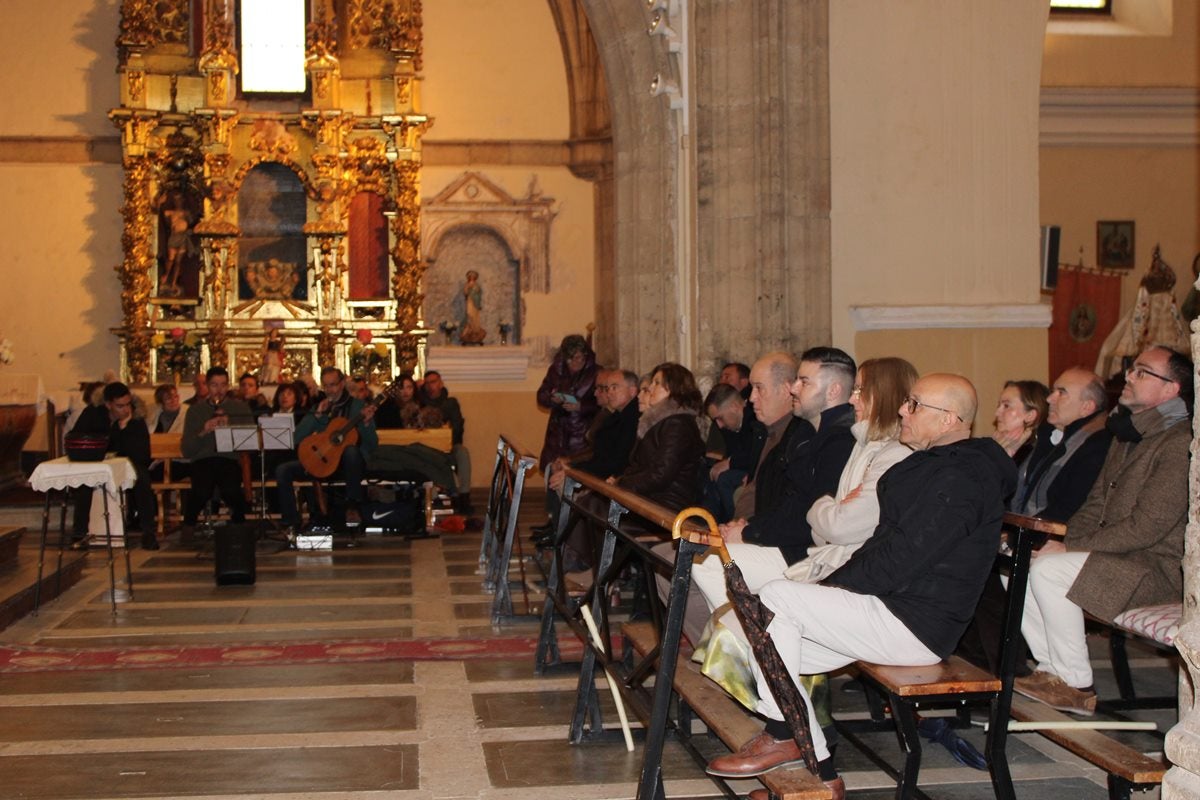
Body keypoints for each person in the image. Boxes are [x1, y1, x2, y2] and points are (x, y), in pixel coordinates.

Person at [705, 374, 1016, 799]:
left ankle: (797, 745)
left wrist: (832, 588)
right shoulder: (933, 468)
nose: (903, 411)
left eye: (914, 405)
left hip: (916, 624)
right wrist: (831, 588)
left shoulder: (962, 479)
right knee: (760, 627)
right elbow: (885, 550)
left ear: (949, 420)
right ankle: (809, 767)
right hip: (886, 609)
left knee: (777, 599)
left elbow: (904, 558)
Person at [1016, 346, 1192, 715]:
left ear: (1171, 389)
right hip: (1118, 557)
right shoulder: (1126, 434)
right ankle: (1052, 670)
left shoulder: (1179, 443)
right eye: (1132, 369)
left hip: (1155, 568)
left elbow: (1147, 527)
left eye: (1142, 373)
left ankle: (1076, 683)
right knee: (1020, 565)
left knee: (1049, 571)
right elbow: (1094, 505)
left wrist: (1070, 548)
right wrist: (1061, 540)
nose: (1128, 377)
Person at [692, 347, 857, 613]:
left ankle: (752, 646)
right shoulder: (809, 434)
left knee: (708, 563)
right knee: (700, 557)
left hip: (807, 553)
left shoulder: (840, 441)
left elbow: (810, 517)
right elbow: (785, 503)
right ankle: (747, 645)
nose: (794, 388)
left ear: (834, 390)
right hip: (787, 541)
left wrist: (748, 532)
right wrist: (748, 525)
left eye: (804, 382)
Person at [790, 356, 917, 582]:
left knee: (769, 594)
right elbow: (823, 534)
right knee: (726, 565)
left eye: (859, 390)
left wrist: (821, 505)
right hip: (830, 560)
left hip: (858, 573)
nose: (851, 400)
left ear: (883, 395)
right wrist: (832, 510)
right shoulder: (862, 444)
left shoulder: (896, 456)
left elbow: (839, 527)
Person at [276, 367, 379, 531]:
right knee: (283, 470)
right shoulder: (320, 407)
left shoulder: (359, 406)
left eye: (333, 385)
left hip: (348, 466)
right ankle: (291, 521)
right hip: (322, 461)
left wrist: (366, 424)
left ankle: (352, 506)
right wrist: (316, 416)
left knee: (351, 451)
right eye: (325, 386)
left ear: (342, 383)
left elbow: (372, 444)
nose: (329, 390)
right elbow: (296, 439)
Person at [70, 382, 159, 550]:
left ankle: (148, 532)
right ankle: (79, 533)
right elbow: (77, 437)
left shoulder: (136, 418)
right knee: (84, 483)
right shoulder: (93, 414)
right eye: (120, 406)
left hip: (127, 464)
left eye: (127, 404)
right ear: (108, 404)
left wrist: (123, 429)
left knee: (142, 479)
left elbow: (142, 455)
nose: (125, 409)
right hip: (96, 463)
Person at [180, 367, 253, 536]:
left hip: (229, 458)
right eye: (214, 385)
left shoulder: (239, 408)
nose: (218, 390)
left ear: (228, 386)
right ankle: (189, 524)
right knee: (201, 490)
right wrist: (203, 431)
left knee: (230, 489)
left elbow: (249, 439)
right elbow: (187, 450)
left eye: (223, 385)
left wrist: (231, 425)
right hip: (203, 459)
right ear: (206, 386)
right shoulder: (195, 411)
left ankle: (239, 523)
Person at [701, 382, 764, 523]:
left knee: (724, 479)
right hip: (744, 469)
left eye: (719, 418)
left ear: (735, 407)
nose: (719, 425)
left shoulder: (755, 418)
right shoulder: (730, 427)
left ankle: (732, 524)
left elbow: (756, 453)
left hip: (756, 472)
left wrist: (730, 462)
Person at [419, 370, 472, 512]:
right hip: (428, 448)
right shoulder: (419, 403)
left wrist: (445, 439)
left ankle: (464, 496)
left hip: (449, 444)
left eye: (434, 382)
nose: (431, 386)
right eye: (427, 383)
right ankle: (448, 494)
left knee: (462, 452)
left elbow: (458, 427)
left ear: (441, 383)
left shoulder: (451, 403)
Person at [991, 379, 1049, 463]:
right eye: (999, 405)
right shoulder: (986, 446)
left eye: (1006, 406)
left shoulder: (1038, 456)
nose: (997, 413)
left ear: (1030, 416)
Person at [458, 270, 486, 344]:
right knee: (469, 315)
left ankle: (475, 331)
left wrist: (475, 296)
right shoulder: (467, 284)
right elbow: (465, 292)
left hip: (475, 304)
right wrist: (467, 288)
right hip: (469, 302)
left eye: (473, 277)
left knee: (474, 317)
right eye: (470, 276)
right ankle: (469, 331)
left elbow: (479, 295)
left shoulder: (477, 286)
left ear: (475, 278)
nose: (471, 278)